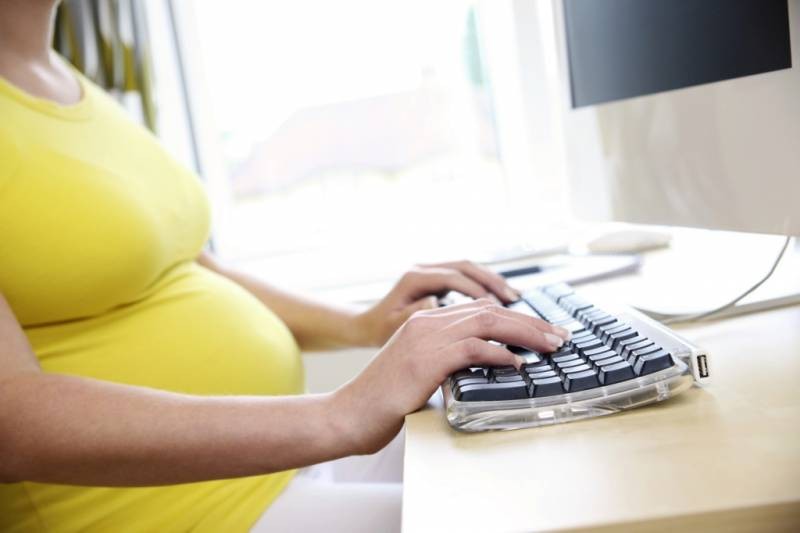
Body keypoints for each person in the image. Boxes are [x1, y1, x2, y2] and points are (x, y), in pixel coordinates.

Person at [0, 1, 570, 531]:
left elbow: (187, 266)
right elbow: (9, 417)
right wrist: (339, 415)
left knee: (547, 457)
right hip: (175, 511)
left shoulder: (67, 79)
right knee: (516, 513)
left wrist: (363, 324)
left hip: (282, 467)